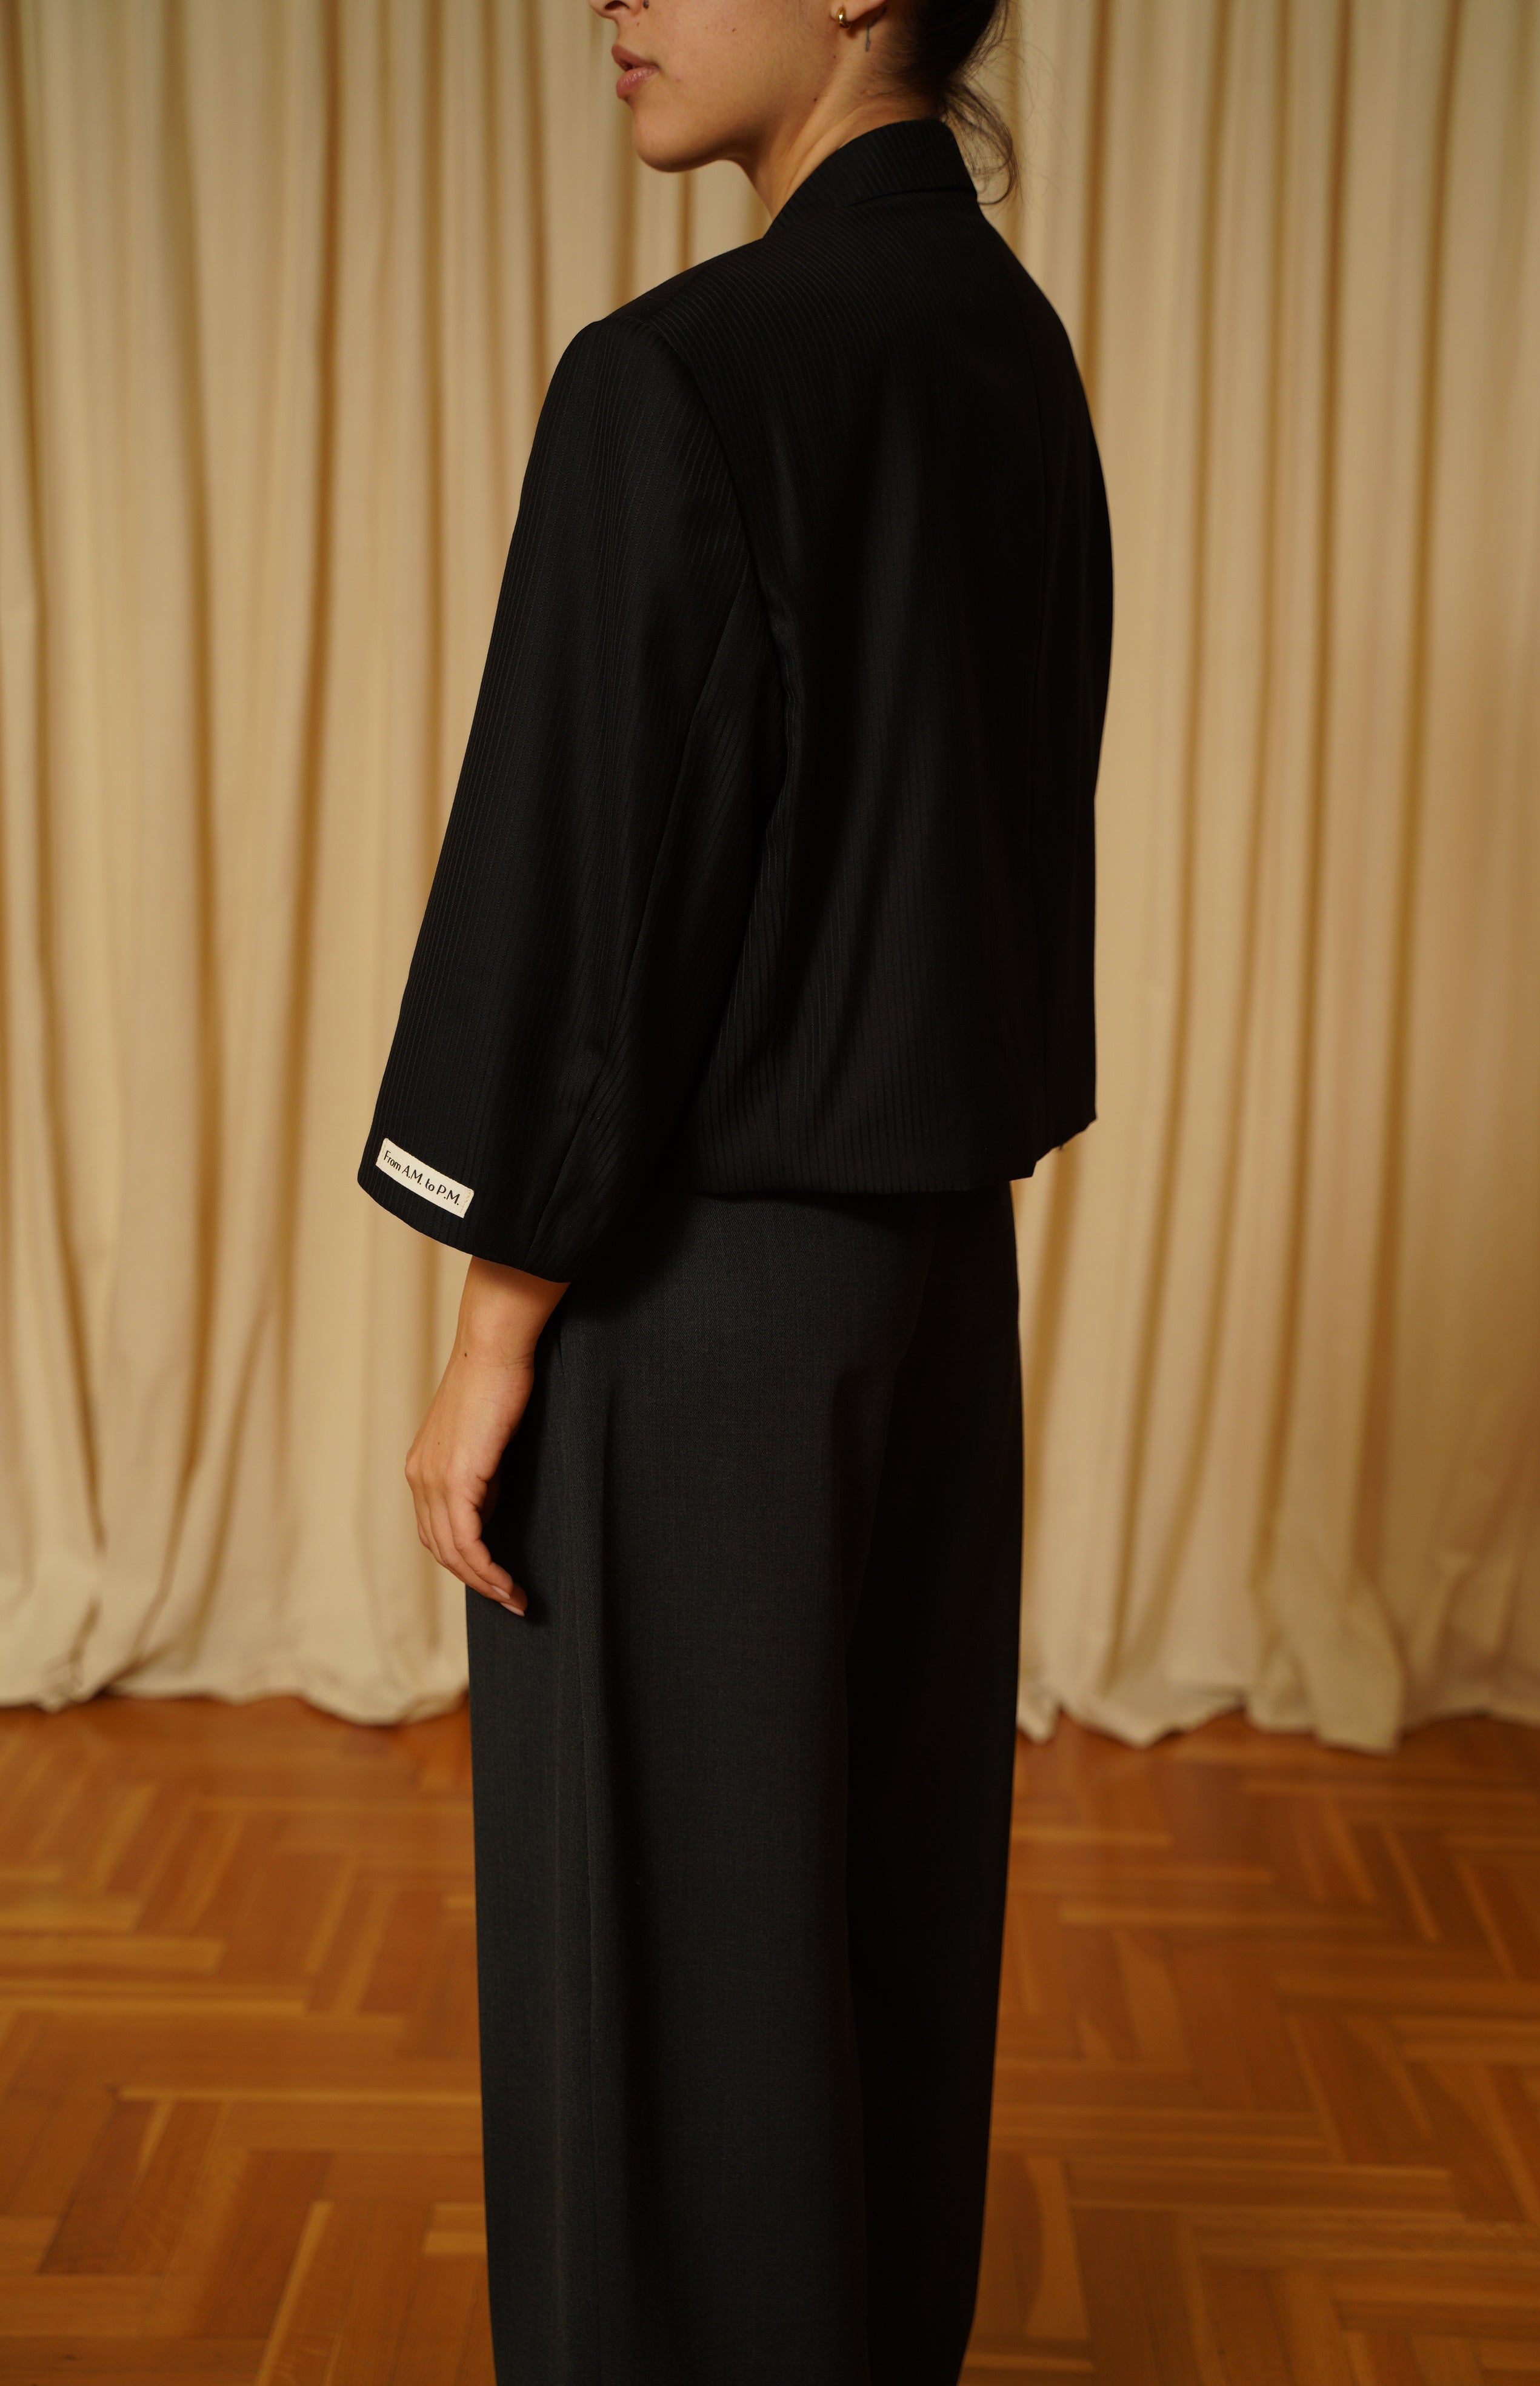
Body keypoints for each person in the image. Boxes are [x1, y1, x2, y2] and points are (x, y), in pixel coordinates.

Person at [358, 0, 1111, 2372]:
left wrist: (492, 1327)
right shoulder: (1009, 356)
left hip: (691, 1317)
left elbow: (586, 893)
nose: (616, 1)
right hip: (932, 1299)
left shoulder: (676, 376)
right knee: (871, 1958)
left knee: (660, 2005)